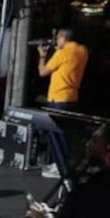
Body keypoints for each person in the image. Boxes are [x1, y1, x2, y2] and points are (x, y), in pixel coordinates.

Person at [36, 27, 90, 176]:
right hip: (71, 97)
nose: (56, 41)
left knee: (57, 134)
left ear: (62, 38)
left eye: (57, 38)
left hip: (58, 98)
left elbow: (43, 72)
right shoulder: (82, 50)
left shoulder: (62, 53)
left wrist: (42, 56)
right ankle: (61, 164)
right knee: (65, 133)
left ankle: (61, 167)